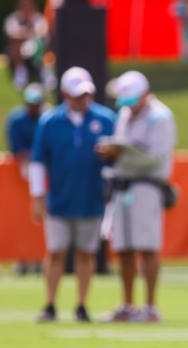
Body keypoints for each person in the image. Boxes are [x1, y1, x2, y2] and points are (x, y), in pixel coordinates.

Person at [30, 66, 116, 322]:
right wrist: (37, 196)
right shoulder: (50, 121)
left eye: (86, 94)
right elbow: (37, 161)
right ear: (66, 94)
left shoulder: (106, 118)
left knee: (85, 252)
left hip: (92, 197)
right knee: (56, 251)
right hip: (60, 198)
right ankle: (50, 303)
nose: (83, 99)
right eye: (78, 94)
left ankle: (81, 304)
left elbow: (119, 157)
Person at [96, 71, 177, 323]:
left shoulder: (160, 117)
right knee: (124, 247)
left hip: (147, 187)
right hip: (122, 187)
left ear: (144, 95)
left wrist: (121, 151)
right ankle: (128, 305)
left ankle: (151, 307)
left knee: (148, 246)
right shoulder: (124, 113)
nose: (128, 107)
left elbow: (156, 157)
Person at [5, 82, 46, 275]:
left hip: (45, 175)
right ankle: (23, 259)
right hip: (19, 175)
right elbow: (17, 148)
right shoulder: (17, 119)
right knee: (21, 217)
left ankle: (40, 257)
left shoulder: (48, 119)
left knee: (41, 219)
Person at [3, 0, 48, 89]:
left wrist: (24, 33)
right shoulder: (13, 18)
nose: (26, 8)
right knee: (15, 43)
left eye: (28, 5)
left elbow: (42, 34)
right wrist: (29, 33)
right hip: (18, 52)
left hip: (36, 49)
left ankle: (45, 72)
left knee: (41, 42)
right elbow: (12, 34)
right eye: (24, 6)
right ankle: (21, 73)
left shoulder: (38, 18)